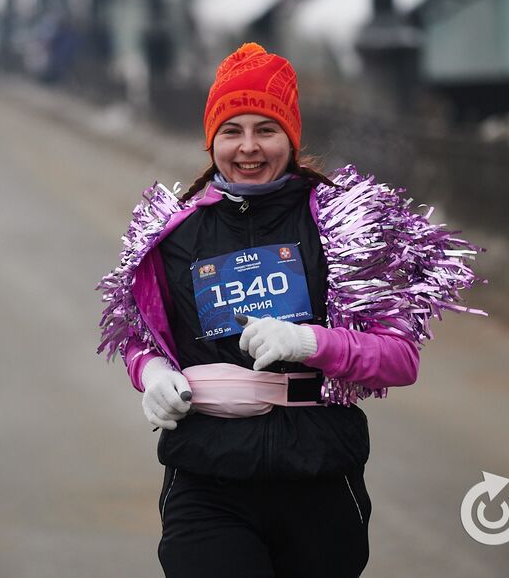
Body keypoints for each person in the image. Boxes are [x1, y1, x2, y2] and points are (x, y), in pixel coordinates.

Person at [97, 42, 484, 577]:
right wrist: (154, 373)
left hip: (320, 477)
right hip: (209, 478)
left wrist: (310, 343)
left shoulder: (342, 225)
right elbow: (144, 338)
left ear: (291, 137)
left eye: (266, 130)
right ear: (212, 141)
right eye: (232, 130)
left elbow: (400, 360)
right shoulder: (176, 235)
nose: (248, 148)